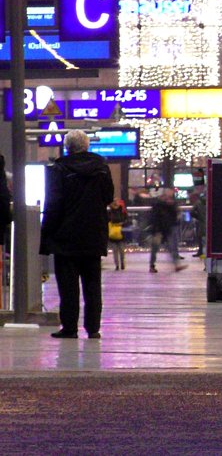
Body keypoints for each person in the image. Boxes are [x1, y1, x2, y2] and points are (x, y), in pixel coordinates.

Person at [39, 130, 115, 339]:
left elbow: (53, 204)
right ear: (87, 146)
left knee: (68, 286)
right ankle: (93, 329)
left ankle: (70, 328)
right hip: (93, 235)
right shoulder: (102, 168)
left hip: (65, 237)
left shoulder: (59, 170)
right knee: (92, 284)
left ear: (67, 147)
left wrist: (46, 235)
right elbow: (108, 196)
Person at [148, 187, 186, 273]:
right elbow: (154, 217)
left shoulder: (169, 206)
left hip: (166, 229)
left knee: (171, 247)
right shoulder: (157, 205)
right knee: (155, 249)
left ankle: (176, 265)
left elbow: (174, 215)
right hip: (158, 230)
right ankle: (152, 265)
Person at [106, 199, 128, 270]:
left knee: (121, 250)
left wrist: (122, 224)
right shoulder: (110, 211)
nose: (116, 203)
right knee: (115, 251)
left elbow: (126, 220)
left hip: (120, 233)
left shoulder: (122, 211)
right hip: (113, 233)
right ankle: (117, 265)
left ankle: (122, 263)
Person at [189, 187, 206, 258]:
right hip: (209, 224)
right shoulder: (211, 201)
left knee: (201, 239)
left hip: (201, 224)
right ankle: (205, 256)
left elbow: (192, 212)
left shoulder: (198, 202)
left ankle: (201, 253)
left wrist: (198, 217)